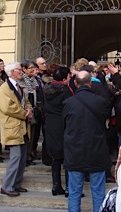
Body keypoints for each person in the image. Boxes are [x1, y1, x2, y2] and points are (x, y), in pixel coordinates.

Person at [63, 71, 111, 212]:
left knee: (74, 193)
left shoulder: (68, 103)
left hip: (74, 152)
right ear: (90, 83)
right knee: (98, 193)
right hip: (96, 150)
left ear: (76, 83)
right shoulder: (100, 101)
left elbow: (64, 125)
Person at [0, 62, 33, 197]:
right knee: (16, 157)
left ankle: (16, 183)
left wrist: (29, 109)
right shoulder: (4, 88)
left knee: (22, 157)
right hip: (13, 126)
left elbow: (26, 101)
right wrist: (24, 113)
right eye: (19, 70)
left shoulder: (19, 86)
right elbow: (8, 107)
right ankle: (7, 186)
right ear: (12, 72)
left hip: (22, 127)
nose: (21, 72)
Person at [43, 66, 73, 196]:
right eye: (69, 76)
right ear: (65, 78)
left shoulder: (46, 90)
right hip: (63, 124)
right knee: (67, 157)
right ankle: (68, 188)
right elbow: (70, 108)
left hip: (50, 125)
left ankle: (56, 186)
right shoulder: (65, 91)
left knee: (55, 157)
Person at [18, 59, 39, 167]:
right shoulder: (20, 81)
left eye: (33, 68)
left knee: (32, 134)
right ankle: (24, 157)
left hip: (33, 109)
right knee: (26, 135)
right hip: (24, 111)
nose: (33, 70)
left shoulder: (34, 80)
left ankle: (29, 154)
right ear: (24, 69)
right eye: (30, 68)